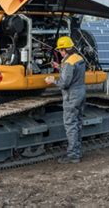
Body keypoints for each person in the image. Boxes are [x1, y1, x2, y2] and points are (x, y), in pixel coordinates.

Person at [45, 36, 86, 164]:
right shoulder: (78, 58)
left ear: (64, 50)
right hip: (80, 93)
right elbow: (73, 73)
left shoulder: (68, 63)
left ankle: (73, 155)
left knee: (70, 125)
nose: (60, 52)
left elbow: (64, 84)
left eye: (60, 50)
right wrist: (59, 66)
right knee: (78, 123)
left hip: (71, 96)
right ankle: (77, 150)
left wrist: (52, 80)